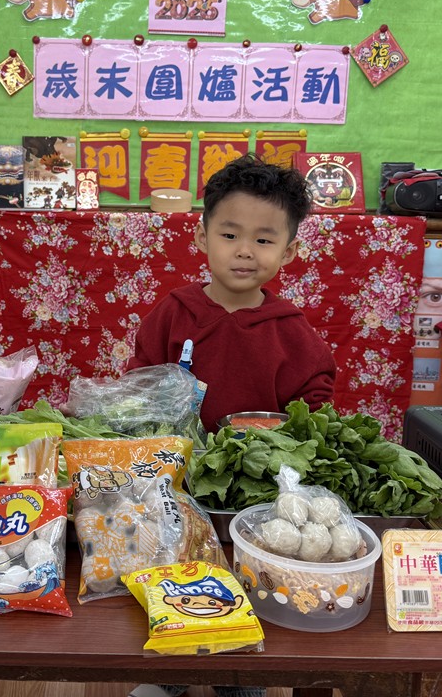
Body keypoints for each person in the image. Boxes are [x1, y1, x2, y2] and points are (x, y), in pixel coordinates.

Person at [125, 154, 337, 697]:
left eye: (264, 240)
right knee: (175, 570)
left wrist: (292, 437)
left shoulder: (290, 329)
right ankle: (171, 675)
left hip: (257, 489)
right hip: (174, 477)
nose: (245, 250)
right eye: (230, 234)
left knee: (250, 579)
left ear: (289, 251)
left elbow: (317, 397)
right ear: (202, 236)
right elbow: (140, 380)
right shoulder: (174, 311)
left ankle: (240, 678)